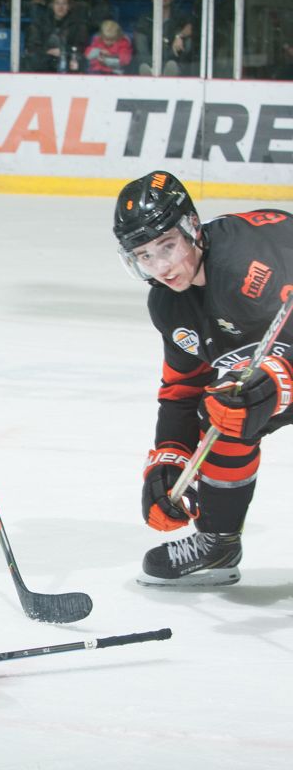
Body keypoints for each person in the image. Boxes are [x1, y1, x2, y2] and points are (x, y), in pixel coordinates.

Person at [112, 171, 293, 586]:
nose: (161, 267)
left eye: (167, 246)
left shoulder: (250, 266)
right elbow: (181, 390)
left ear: (192, 226)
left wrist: (276, 384)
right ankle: (218, 543)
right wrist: (169, 462)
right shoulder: (169, 305)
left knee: (249, 397)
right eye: (144, 255)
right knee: (223, 410)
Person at [133, 0, 197, 77]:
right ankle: (150, 70)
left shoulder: (180, 15)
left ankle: (174, 70)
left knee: (188, 41)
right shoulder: (145, 18)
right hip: (151, 58)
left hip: (173, 57)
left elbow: (191, 27)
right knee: (139, 38)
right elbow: (141, 44)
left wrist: (179, 36)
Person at [24, 0, 89, 73]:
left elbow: (80, 46)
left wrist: (64, 51)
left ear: (69, 6)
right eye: (57, 3)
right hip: (45, 58)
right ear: (52, 5)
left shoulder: (77, 25)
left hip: (67, 58)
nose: (60, 7)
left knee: (80, 61)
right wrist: (47, 51)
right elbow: (33, 45)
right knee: (32, 60)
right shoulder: (41, 22)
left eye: (64, 3)